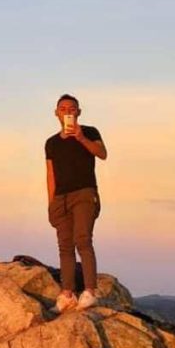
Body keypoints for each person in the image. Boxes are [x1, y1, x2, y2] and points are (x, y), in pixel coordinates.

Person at [46, 93, 108, 314]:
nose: (67, 112)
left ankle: (90, 291)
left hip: (84, 193)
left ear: (78, 112)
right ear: (56, 113)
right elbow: (50, 174)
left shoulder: (89, 132)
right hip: (61, 198)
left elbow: (102, 154)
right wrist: (51, 202)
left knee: (82, 240)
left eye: (72, 108)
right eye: (63, 108)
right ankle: (67, 294)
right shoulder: (51, 143)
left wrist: (81, 138)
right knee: (64, 246)